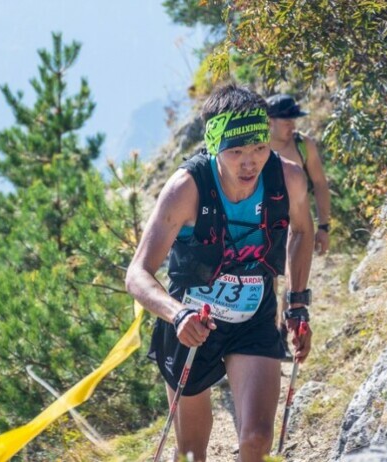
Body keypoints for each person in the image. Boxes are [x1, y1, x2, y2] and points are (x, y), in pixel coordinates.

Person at [126, 84, 314, 462]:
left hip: (253, 317)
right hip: (193, 323)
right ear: (214, 146)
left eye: (259, 148)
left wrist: (297, 304)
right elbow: (137, 273)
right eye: (236, 152)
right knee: (192, 452)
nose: (250, 163)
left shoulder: (288, 179)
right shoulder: (186, 189)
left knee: (257, 438)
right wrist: (178, 315)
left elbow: (302, 231)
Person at [266, 93, 331, 360]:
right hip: (265, 224)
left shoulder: (304, 145)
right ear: (269, 121)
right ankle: (270, 336)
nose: (292, 125)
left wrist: (324, 226)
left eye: (294, 119)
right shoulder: (257, 149)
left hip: (296, 223)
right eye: (286, 121)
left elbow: (320, 184)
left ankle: (284, 331)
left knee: (293, 279)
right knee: (268, 281)